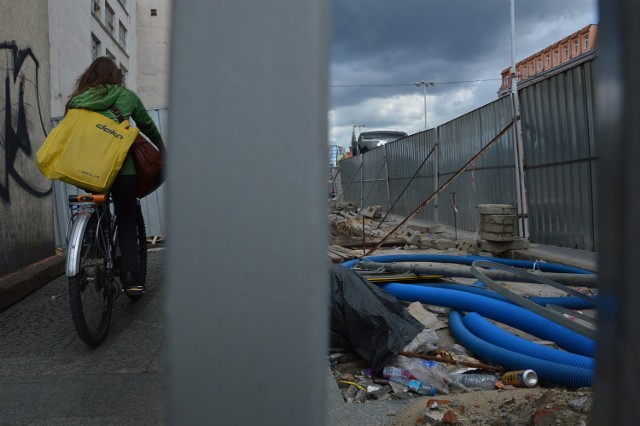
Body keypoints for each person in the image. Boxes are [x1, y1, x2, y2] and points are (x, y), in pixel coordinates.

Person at [65, 56, 166, 296]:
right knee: (127, 218)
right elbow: (147, 126)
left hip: (90, 170)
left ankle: (95, 242)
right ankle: (131, 278)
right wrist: (163, 149)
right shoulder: (127, 97)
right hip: (124, 172)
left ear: (89, 76)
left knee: (99, 207)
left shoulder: (77, 101)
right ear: (117, 76)